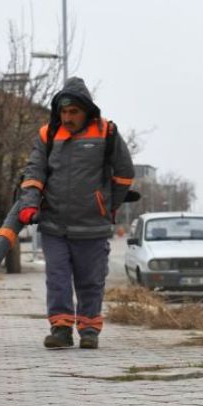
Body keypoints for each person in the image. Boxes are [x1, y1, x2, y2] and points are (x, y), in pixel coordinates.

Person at [17, 77, 135, 350]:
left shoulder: (107, 133)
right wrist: (30, 204)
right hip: (54, 223)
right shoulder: (48, 135)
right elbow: (34, 172)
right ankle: (60, 329)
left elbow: (125, 174)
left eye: (73, 112)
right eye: (63, 112)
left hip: (92, 225)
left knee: (90, 280)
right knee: (57, 278)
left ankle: (89, 329)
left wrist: (108, 206)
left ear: (86, 111)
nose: (67, 118)